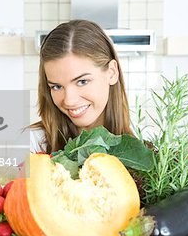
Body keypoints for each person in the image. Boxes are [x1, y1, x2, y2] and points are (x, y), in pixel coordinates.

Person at [29, 19, 133, 153]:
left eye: (82, 82)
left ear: (112, 72)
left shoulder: (146, 142)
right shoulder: (31, 145)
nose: (69, 101)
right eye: (57, 86)